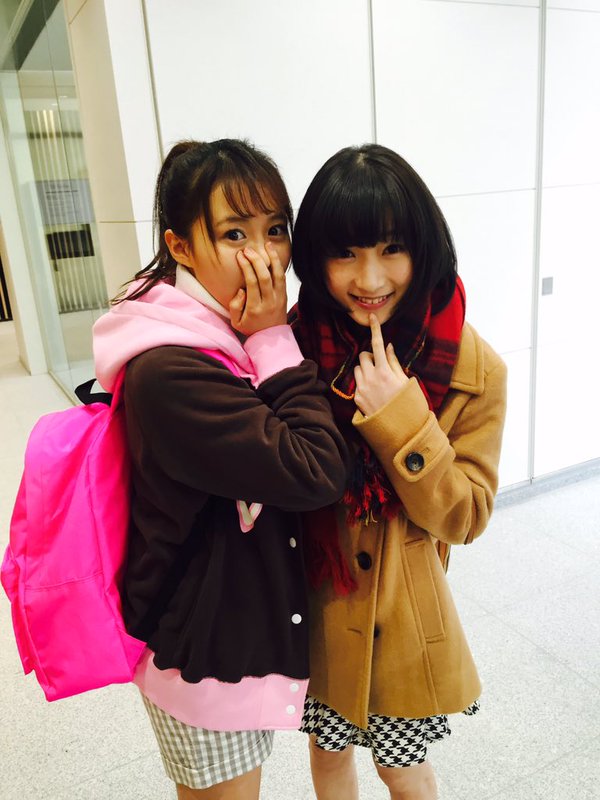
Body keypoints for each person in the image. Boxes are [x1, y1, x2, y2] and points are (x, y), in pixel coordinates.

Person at [92, 139, 348, 799]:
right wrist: (271, 336)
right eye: (235, 234)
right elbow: (316, 469)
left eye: (275, 230)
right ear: (180, 247)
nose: (264, 256)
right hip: (203, 655)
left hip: (239, 630)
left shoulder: (214, 327)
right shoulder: (172, 367)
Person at [290, 143, 507, 800]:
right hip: (320, 605)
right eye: (345, 253)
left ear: (424, 248)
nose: (369, 277)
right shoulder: (293, 346)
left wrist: (402, 420)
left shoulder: (474, 370)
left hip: (405, 619)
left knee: (402, 770)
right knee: (328, 755)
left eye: (391, 249)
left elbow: (466, 517)